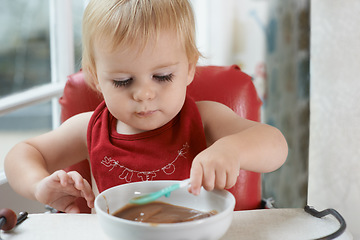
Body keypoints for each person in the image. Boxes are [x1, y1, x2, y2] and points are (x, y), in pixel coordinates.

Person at [4, 0, 288, 213]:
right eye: (122, 81)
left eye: (162, 77)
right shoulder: (90, 128)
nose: (144, 94)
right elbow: (22, 153)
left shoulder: (205, 118)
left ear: (189, 69)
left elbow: (275, 145)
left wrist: (232, 150)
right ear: (95, 77)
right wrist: (39, 185)